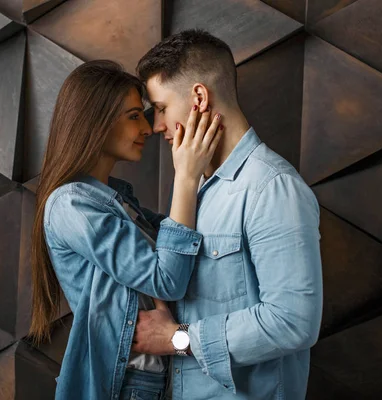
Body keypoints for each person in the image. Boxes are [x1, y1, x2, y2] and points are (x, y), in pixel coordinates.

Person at [131, 29, 323, 399]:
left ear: (199, 97)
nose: (155, 126)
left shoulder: (271, 188)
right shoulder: (195, 189)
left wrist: (177, 339)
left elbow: (293, 321)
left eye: (161, 108)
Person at [29, 60, 223, 399]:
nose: (148, 128)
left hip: (157, 381)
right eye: (134, 117)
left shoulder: (116, 201)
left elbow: (184, 241)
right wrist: (186, 176)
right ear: (95, 123)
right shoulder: (72, 206)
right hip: (127, 387)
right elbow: (167, 278)